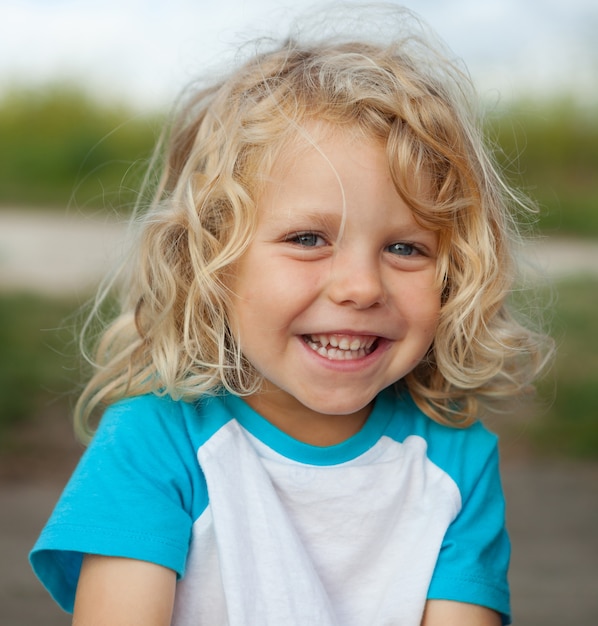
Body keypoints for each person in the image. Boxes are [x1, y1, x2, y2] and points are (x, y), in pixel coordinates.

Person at [30, 4, 552, 625]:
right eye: (308, 239)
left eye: (405, 248)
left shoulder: (454, 464)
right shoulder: (156, 445)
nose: (360, 287)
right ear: (211, 262)